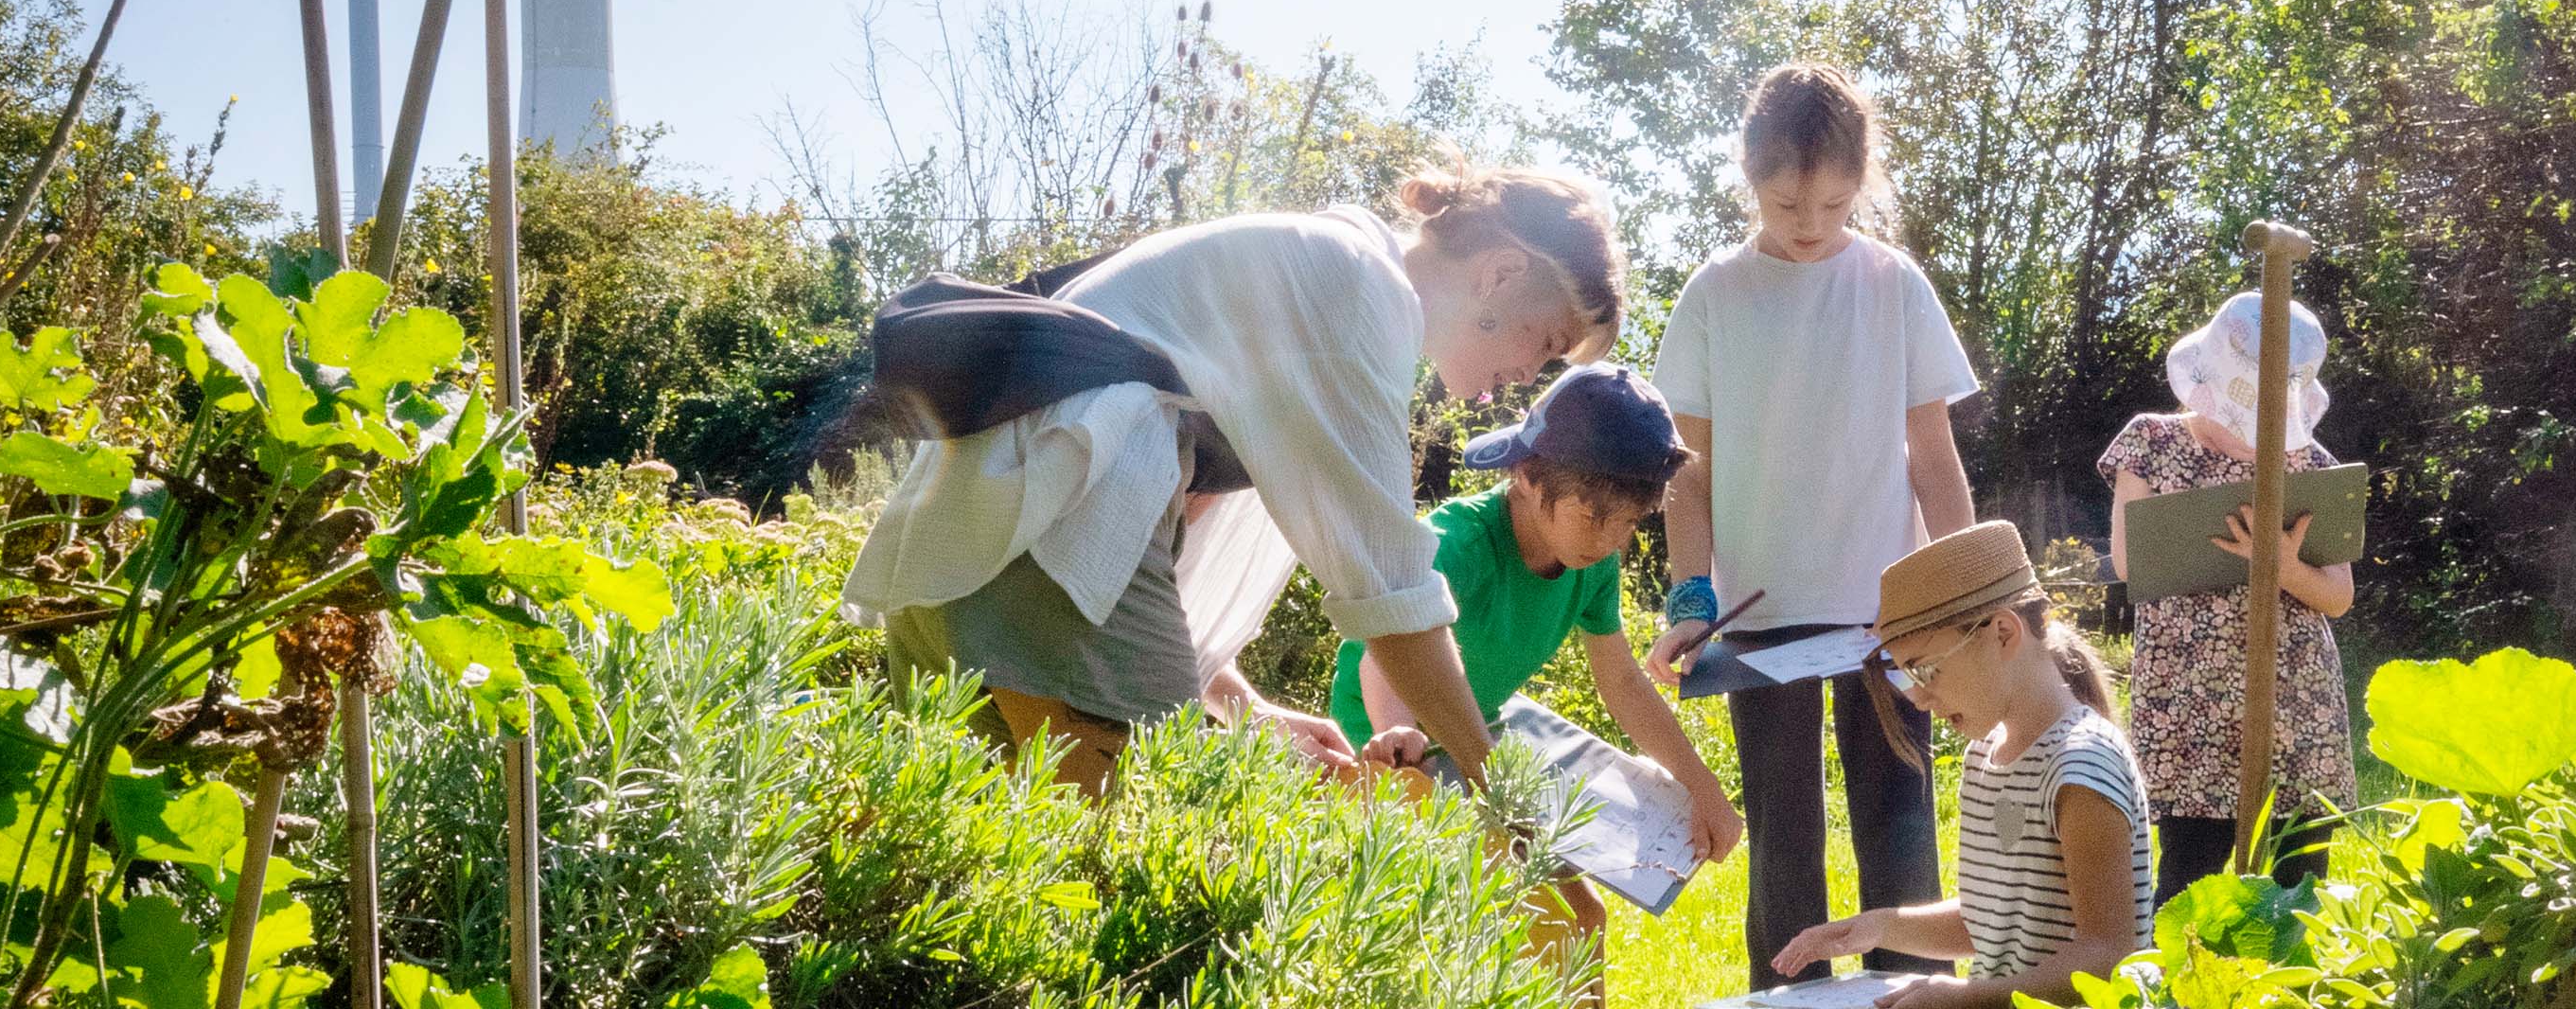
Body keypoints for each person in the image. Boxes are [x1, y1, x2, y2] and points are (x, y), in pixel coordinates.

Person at [841, 167, 1625, 793]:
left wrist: (1242, 708)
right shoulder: (1362, 294)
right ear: (1501, 272)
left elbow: (1159, 555)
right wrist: (1496, 783)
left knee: (988, 882)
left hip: (987, 527)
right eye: (1546, 341)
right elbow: (1393, 593)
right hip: (1057, 528)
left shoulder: (1323, 273)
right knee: (1125, 871)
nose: (1526, 378)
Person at [1641, 62, 1981, 989]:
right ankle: (1790, 997)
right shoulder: (1716, 293)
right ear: (1751, 176)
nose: (1810, 223)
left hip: (1889, 613)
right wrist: (1689, 597)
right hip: (1759, 618)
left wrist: (1964, 595)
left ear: (1859, 185)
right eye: (1790, 202)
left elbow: (1934, 457)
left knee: (1901, 829)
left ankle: (1910, 995)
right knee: (1785, 842)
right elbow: (1688, 472)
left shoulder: (1891, 283)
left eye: (1834, 204)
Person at [1333, 363, 1745, 1004]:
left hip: (1480, 747)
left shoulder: (1591, 563)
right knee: (1488, 936)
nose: (1611, 541)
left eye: (1631, 524)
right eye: (1594, 517)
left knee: (1575, 922)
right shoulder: (1456, 544)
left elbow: (1623, 685)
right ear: (1528, 476)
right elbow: (1384, 653)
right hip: (1389, 754)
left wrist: (1705, 787)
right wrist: (1401, 728)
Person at [1770, 522, 2153, 1007]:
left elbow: (2108, 955)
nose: (1921, 698)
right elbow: (1990, 921)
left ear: (2003, 633)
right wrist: (1876, 927)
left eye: (1926, 669)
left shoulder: (2082, 768)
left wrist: (1970, 997)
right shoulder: (1982, 758)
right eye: (1907, 676)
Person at [2102, 292, 2355, 897]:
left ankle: (2291, 989)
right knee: (2190, 877)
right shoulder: (2151, 442)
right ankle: (2183, 991)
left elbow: (2339, 597)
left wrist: (2284, 566)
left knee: (2301, 882)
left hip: (2293, 694)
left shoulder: (2313, 466)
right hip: (2189, 692)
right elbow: (2130, 563)